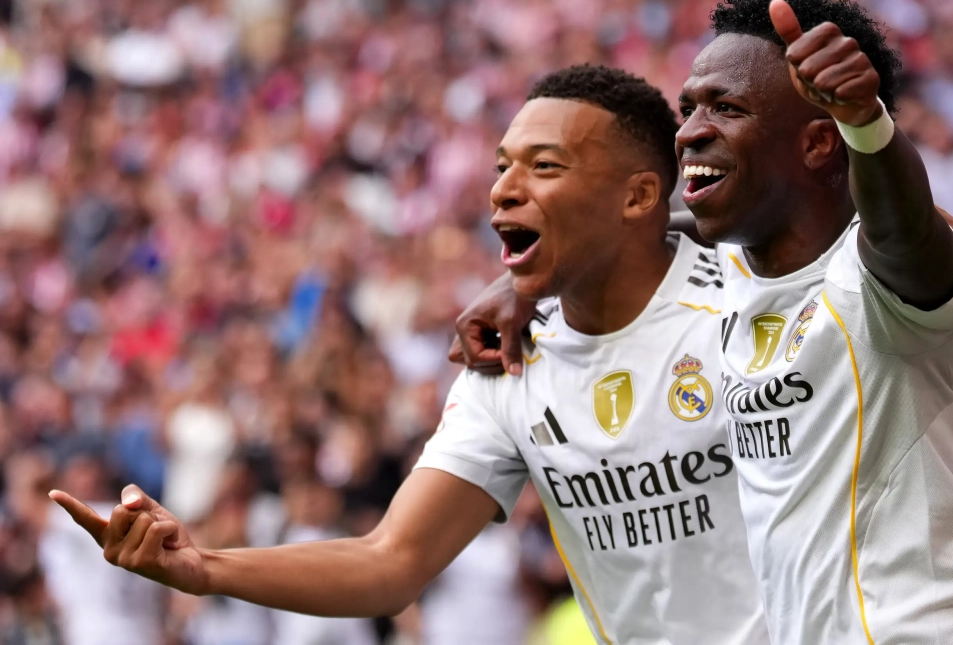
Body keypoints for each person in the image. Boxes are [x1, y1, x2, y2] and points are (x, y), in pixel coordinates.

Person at [45, 65, 770, 645]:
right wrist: (206, 567)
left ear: (640, 194)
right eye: (500, 166)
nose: (503, 190)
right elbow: (390, 559)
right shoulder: (507, 362)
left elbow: (862, 232)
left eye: (543, 166)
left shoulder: (756, 294)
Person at [455, 0, 953, 644]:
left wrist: (867, 124)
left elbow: (904, 230)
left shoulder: (883, 276)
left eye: (726, 106)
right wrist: (540, 275)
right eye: (688, 107)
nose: (688, 131)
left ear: (817, 144)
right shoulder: (738, 265)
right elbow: (665, 225)